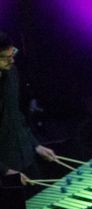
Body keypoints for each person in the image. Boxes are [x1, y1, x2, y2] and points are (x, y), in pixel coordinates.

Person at [0, 32, 57, 181]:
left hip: (26, 157)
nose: (12, 60)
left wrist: (35, 145)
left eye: (13, 53)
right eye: (6, 57)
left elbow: (15, 115)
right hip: (5, 167)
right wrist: (5, 171)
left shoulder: (12, 73)